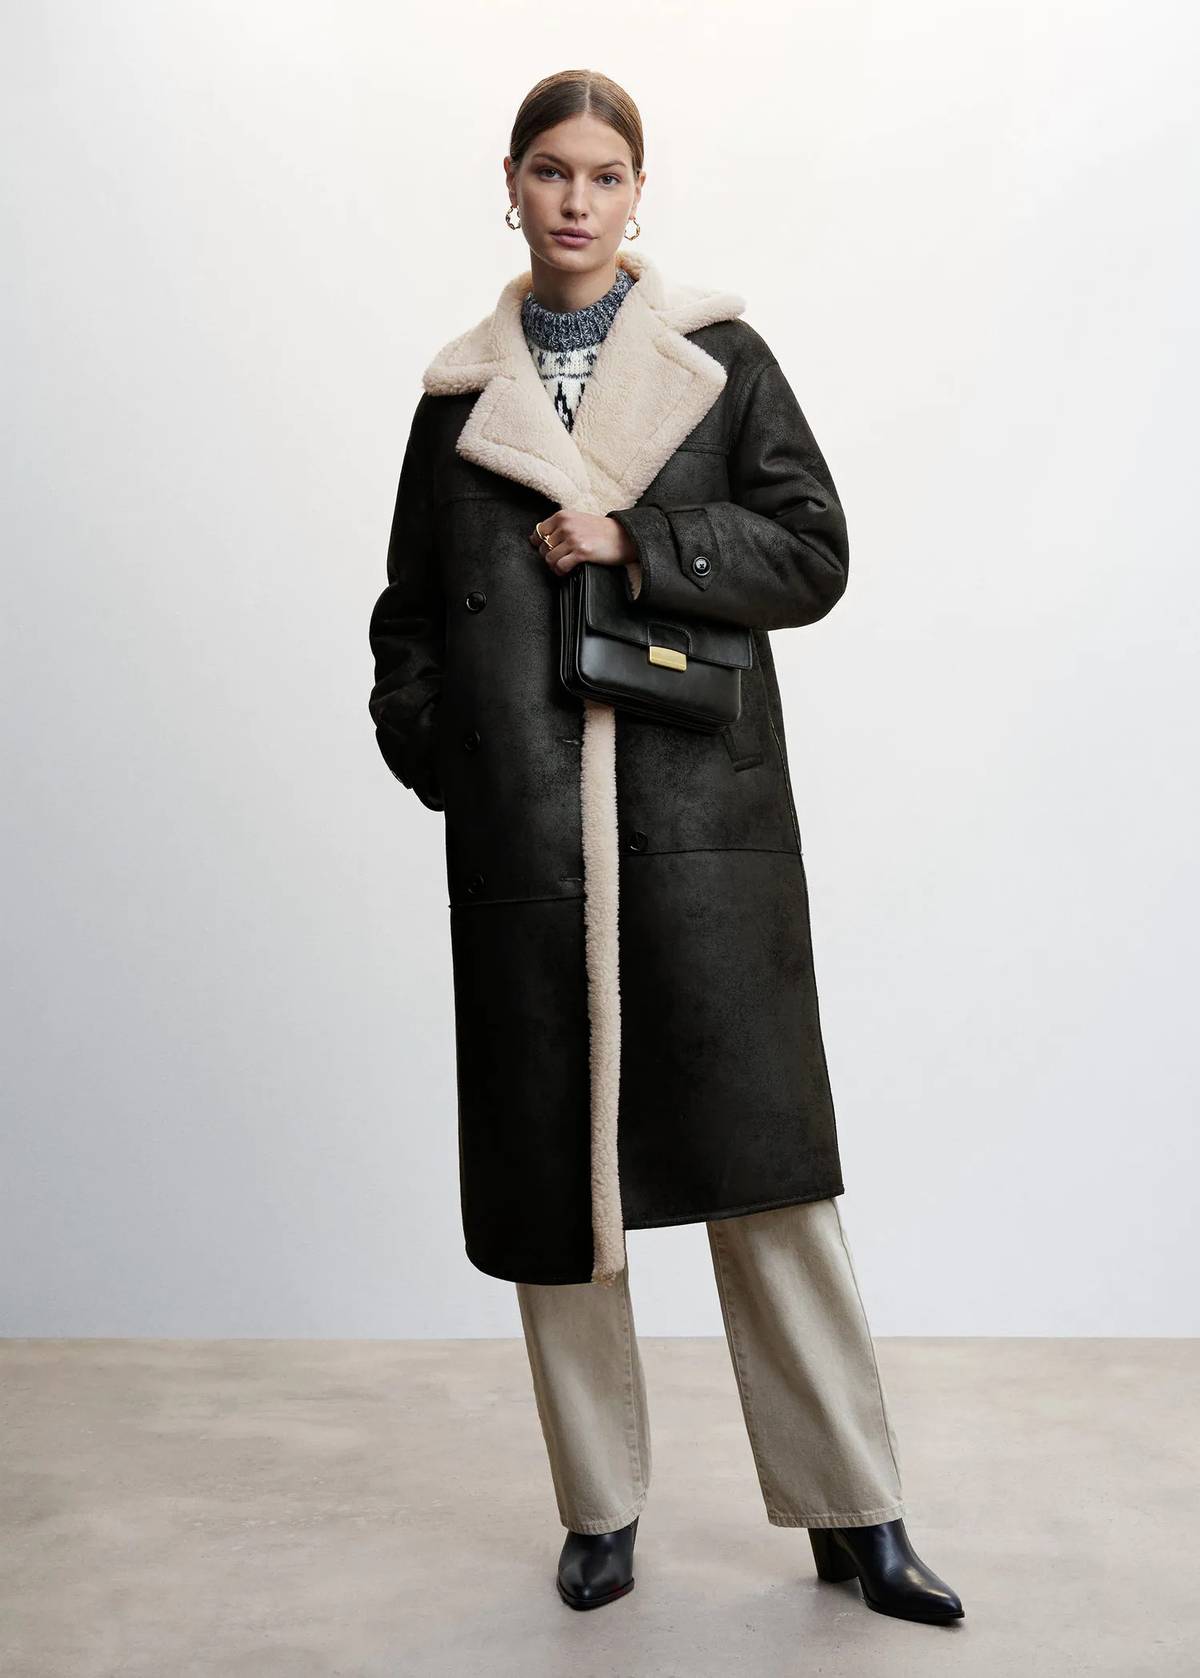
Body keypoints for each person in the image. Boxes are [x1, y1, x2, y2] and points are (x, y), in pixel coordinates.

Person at [368, 68, 964, 1627]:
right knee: (558, 1197)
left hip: (705, 837)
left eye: (606, 174)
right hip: (530, 847)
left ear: (640, 193)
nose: (577, 200)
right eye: (551, 171)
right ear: (511, 184)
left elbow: (814, 549)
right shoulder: (454, 402)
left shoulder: (720, 361)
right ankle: (599, 1508)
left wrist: (642, 540)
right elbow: (406, 621)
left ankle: (859, 1512)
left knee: (773, 1184)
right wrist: (455, 758)